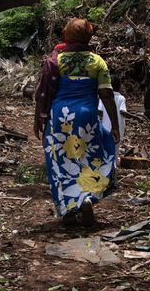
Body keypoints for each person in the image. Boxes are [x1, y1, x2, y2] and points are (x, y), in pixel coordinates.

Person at [33, 18, 119, 227]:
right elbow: (107, 95)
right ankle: (87, 197)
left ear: (66, 36)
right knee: (90, 157)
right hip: (87, 116)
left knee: (60, 162)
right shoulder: (97, 62)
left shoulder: (55, 61)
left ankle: (69, 209)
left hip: (59, 117)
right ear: (88, 37)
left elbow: (44, 94)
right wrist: (115, 125)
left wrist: (38, 119)